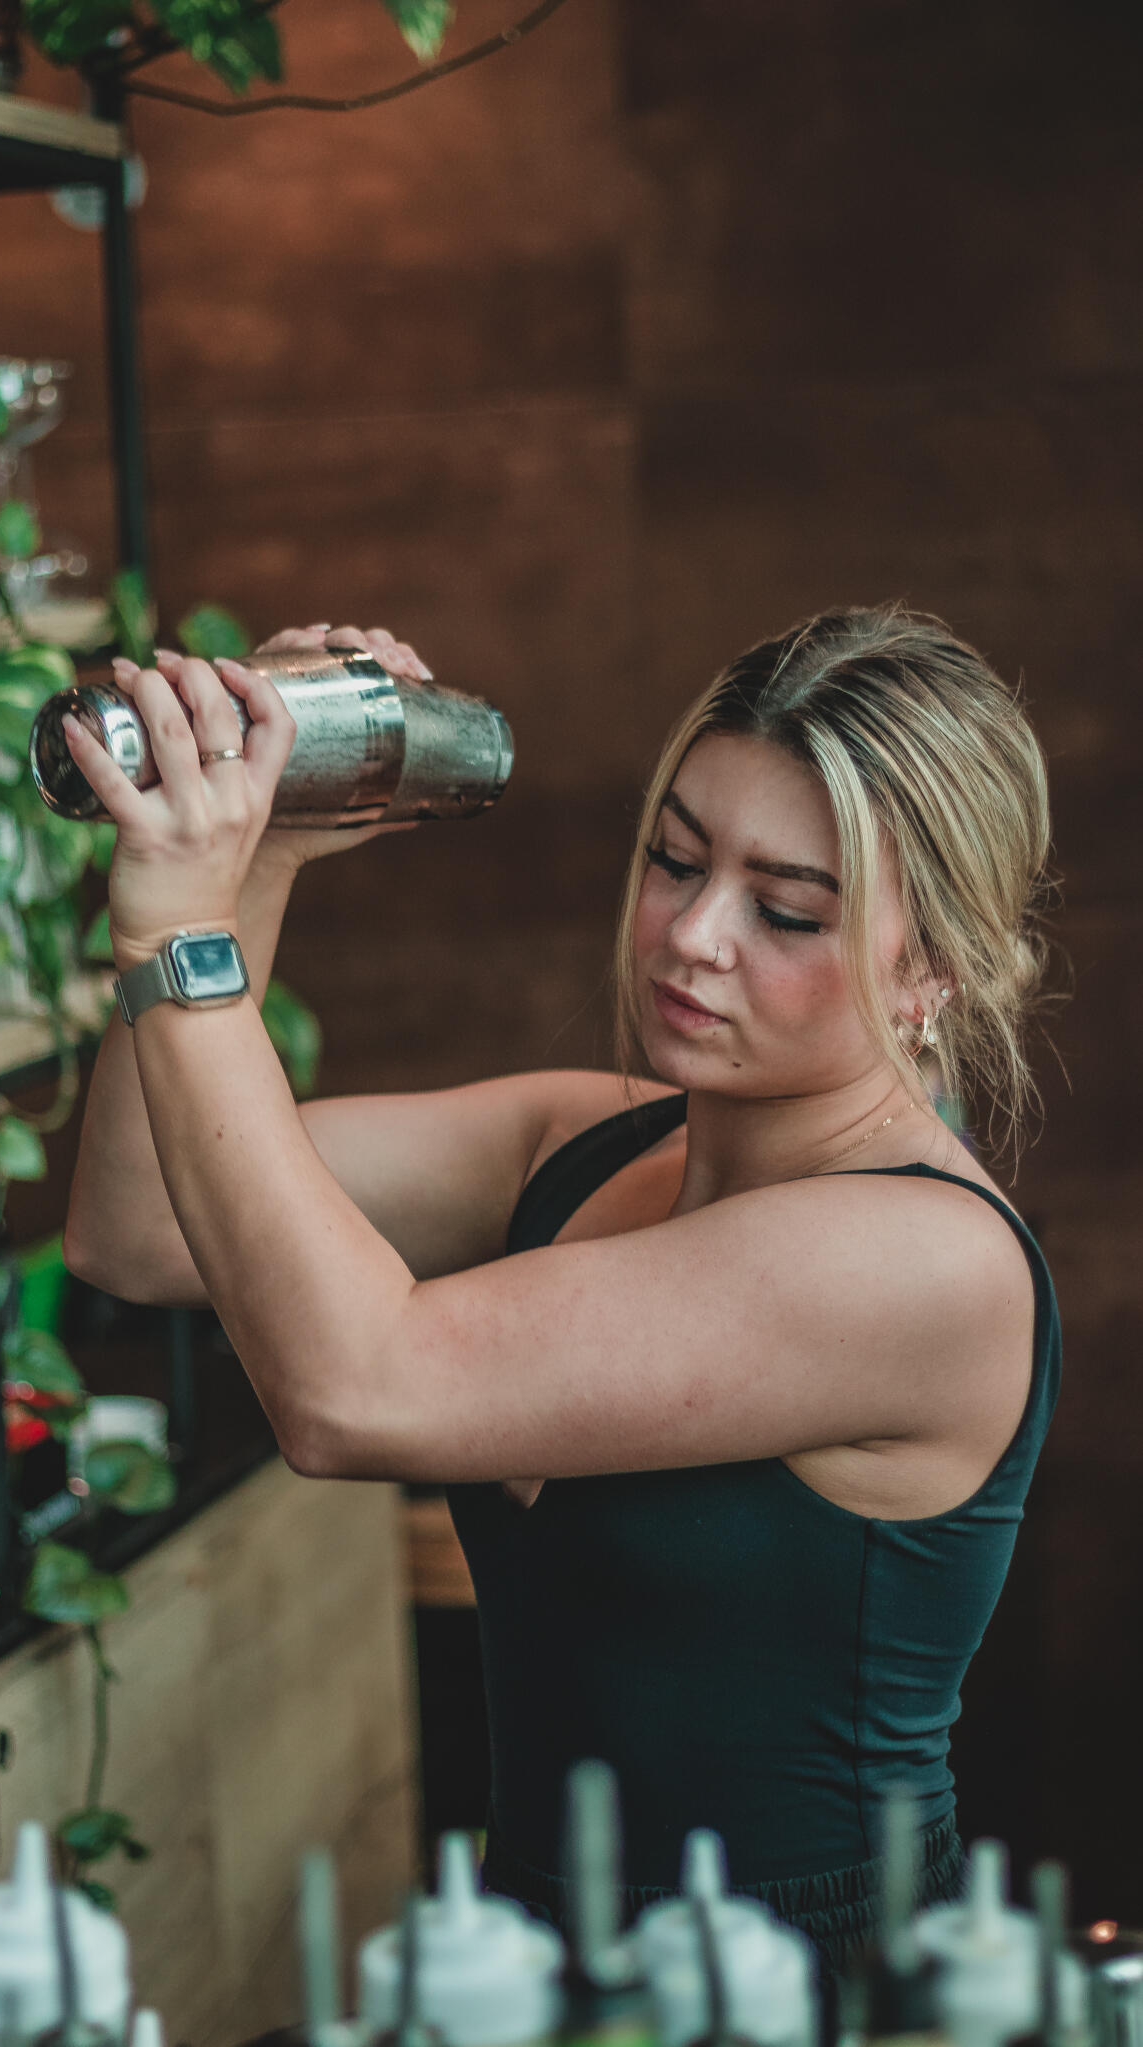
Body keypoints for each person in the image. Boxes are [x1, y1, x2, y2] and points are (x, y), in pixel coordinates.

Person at [61, 603, 1059, 1975]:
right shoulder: (577, 1140)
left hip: (797, 1992)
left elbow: (352, 1393)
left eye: (785, 910)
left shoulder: (919, 1263)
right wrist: (264, 860)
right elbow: (136, 1233)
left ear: (931, 965)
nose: (693, 936)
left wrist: (179, 935)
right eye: (672, 860)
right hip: (529, 1961)